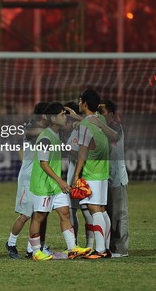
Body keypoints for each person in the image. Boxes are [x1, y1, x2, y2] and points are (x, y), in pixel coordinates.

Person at [28, 102, 92, 261]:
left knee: (65, 213)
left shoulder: (57, 135)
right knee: (38, 217)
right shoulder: (45, 138)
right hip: (43, 184)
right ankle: (36, 252)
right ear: (53, 118)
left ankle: (72, 249)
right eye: (63, 114)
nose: (65, 117)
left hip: (55, 185)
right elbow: (43, 164)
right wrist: (61, 181)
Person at [70, 89, 113, 260]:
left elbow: (82, 153)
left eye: (80, 101)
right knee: (101, 210)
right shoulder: (100, 119)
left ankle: (100, 249)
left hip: (92, 172)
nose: (79, 103)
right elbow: (91, 121)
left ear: (85, 103)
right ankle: (106, 248)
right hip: (103, 171)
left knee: (94, 210)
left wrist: (75, 176)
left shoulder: (85, 127)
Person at [5, 102, 49, 259]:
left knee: (38, 214)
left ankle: (32, 248)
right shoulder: (32, 128)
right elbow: (31, 133)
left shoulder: (46, 131)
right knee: (25, 215)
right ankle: (11, 243)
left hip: (39, 178)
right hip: (28, 178)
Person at [63, 101, 94, 249]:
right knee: (71, 211)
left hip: (81, 177)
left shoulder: (80, 130)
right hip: (73, 176)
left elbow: (81, 154)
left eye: (66, 116)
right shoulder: (72, 130)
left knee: (87, 211)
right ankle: (74, 244)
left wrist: (65, 147)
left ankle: (90, 244)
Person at [101, 99, 129, 258]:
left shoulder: (115, 126)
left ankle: (121, 249)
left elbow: (114, 137)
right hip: (105, 177)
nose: (99, 114)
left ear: (111, 113)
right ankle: (110, 247)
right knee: (108, 214)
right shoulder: (101, 127)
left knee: (119, 214)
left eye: (102, 111)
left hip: (117, 178)